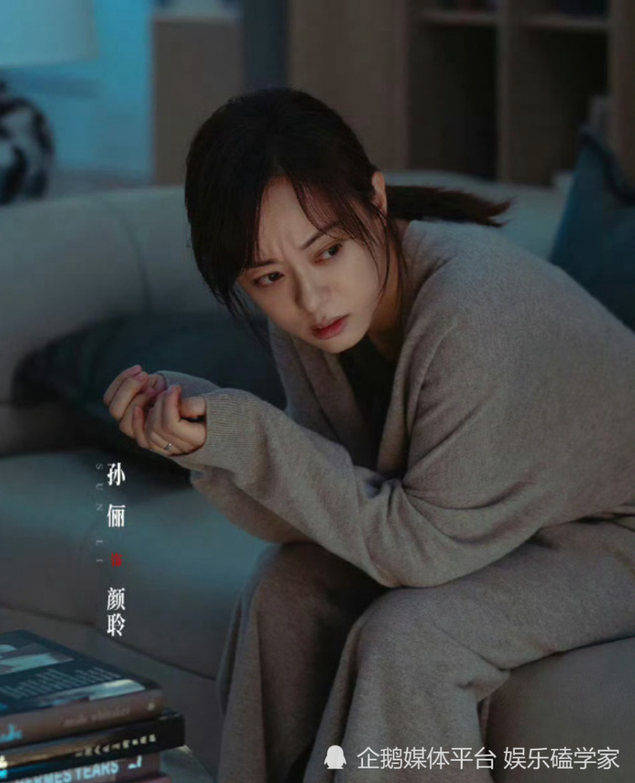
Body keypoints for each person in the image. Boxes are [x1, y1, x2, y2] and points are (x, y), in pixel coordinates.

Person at [103, 88, 635, 783]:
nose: (312, 298)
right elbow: (321, 510)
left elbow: (421, 548)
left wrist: (249, 434)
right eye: (269, 277)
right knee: (284, 590)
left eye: (328, 251)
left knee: (411, 639)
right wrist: (203, 434)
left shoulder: (472, 311)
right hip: (498, 527)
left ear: (376, 200)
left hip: (611, 537)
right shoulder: (311, 325)